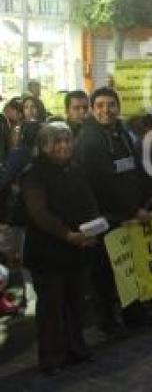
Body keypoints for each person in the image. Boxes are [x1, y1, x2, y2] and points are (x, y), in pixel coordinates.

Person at [74, 87, 152, 337]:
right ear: (92, 109)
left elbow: (136, 169)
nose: (106, 110)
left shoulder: (121, 133)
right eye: (100, 105)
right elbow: (104, 184)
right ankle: (108, 322)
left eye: (111, 104)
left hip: (129, 215)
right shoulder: (89, 139)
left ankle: (134, 315)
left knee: (129, 267)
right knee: (105, 273)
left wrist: (150, 198)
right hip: (105, 217)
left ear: (118, 108)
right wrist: (133, 209)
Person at [21, 123, 98, 375]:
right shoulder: (34, 174)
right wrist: (67, 234)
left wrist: (92, 231)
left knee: (76, 303)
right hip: (48, 252)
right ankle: (52, 358)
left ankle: (77, 349)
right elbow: (39, 213)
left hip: (76, 249)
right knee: (51, 309)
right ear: (44, 146)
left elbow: (89, 202)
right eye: (57, 142)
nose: (64, 146)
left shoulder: (75, 169)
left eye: (67, 140)